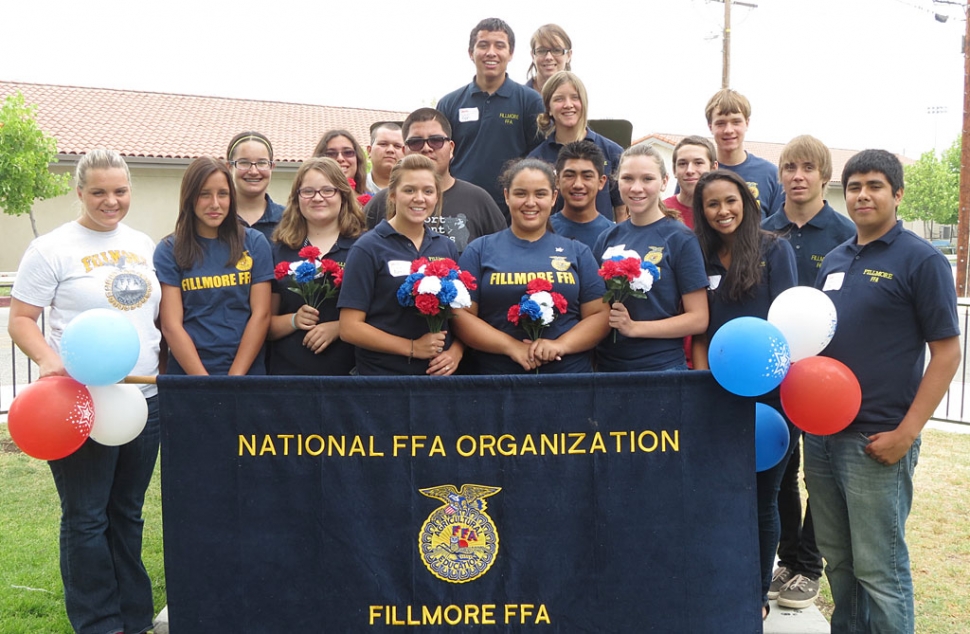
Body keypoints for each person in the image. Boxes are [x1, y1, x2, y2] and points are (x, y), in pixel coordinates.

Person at [806, 150, 960, 633]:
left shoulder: (921, 260)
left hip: (878, 441)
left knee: (881, 570)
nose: (862, 195)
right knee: (840, 563)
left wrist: (907, 433)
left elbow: (948, 353)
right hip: (824, 438)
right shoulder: (834, 259)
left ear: (897, 194)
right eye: (854, 187)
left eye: (874, 186)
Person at [8, 148, 161, 634]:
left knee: (127, 513)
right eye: (98, 192)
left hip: (143, 403)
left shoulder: (143, 243)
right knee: (87, 517)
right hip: (80, 402)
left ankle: (133, 617)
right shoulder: (52, 248)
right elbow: (21, 319)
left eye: (119, 191)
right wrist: (50, 362)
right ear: (79, 192)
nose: (110, 201)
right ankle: (98, 622)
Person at [690, 169, 797, 621]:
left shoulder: (775, 249)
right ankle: (720, 582)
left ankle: (754, 595)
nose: (722, 211)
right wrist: (701, 381)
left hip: (770, 398)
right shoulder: (700, 255)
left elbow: (791, 322)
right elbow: (698, 328)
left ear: (746, 202)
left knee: (762, 497)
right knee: (717, 497)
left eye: (730, 201)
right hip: (716, 394)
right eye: (712, 204)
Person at [761, 135, 856, 609]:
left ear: (823, 175)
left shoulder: (843, 232)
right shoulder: (763, 230)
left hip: (826, 376)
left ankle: (810, 565)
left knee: (818, 475)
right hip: (775, 375)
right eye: (789, 168)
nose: (797, 176)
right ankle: (788, 557)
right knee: (780, 470)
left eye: (807, 168)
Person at [453, 158, 609, 374]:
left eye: (540, 194)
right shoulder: (479, 250)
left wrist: (560, 345)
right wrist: (511, 347)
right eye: (520, 193)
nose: (530, 202)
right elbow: (461, 315)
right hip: (496, 380)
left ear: (554, 197)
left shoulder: (578, 251)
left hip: (568, 380)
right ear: (507, 196)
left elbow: (599, 315)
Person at [338, 154, 462, 376]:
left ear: (436, 196)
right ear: (393, 194)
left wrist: (456, 352)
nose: (419, 198)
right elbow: (349, 328)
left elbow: (459, 315)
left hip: (436, 379)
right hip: (383, 380)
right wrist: (412, 348)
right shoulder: (368, 248)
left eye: (428, 191)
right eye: (409, 190)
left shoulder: (446, 248)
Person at [592, 143, 708, 372]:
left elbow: (698, 318)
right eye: (627, 178)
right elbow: (595, 306)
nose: (636, 188)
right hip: (609, 369)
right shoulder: (607, 238)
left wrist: (635, 328)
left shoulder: (680, 238)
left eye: (647, 179)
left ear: (664, 182)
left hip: (661, 369)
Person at [154, 157, 273, 375]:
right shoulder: (169, 250)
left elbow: (262, 315)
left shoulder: (255, 243)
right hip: (189, 377)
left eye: (223, 194)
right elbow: (171, 325)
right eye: (204, 194)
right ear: (190, 197)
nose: (215, 204)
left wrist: (234, 378)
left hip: (246, 374)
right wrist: (204, 382)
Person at [437, 18, 544, 221]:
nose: (491, 52)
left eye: (500, 46)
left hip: (512, 212)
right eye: (483, 45)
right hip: (458, 211)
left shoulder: (530, 101)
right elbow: (438, 158)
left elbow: (539, 159)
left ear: (510, 53)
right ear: (471, 53)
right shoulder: (449, 104)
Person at [267, 157, 365, 375]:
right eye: (308, 191)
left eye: (327, 190)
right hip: (289, 376)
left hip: (349, 375)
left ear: (342, 195)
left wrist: (340, 328)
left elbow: (381, 316)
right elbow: (264, 325)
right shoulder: (279, 250)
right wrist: (293, 320)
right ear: (297, 198)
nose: (318, 198)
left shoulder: (364, 247)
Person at [363, 107, 507, 253]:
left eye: (436, 140)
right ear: (405, 150)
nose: (426, 148)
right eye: (416, 142)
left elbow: (503, 254)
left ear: (451, 148)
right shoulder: (384, 200)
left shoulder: (479, 200)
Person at [528, 71, 624, 221]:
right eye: (559, 99)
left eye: (575, 97)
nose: (568, 105)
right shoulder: (535, 159)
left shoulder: (613, 153)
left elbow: (622, 210)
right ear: (549, 108)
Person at [704, 89, 783, 216]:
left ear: (747, 123)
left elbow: (780, 229)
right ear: (710, 127)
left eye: (736, 122)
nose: (728, 130)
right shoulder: (699, 172)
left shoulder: (770, 175)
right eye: (720, 123)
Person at [550, 140, 614, 248]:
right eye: (570, 175)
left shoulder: (613, 235)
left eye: (587, 176)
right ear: (557, 181)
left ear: (601, 182)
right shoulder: (542, 231)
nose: (578, 185)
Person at [225, 131, 283, 242]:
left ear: (272, 166)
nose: (253, 171)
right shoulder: (218, 218)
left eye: (261, 163)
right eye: (244, 162)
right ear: (229, 167)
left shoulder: (289, 221)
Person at [663, 135, 718, 229]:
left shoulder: (724, 212)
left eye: (698, 163)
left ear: (714, 168)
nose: (690, 170)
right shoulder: (660, 212)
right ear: (674, 170)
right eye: (682, 164)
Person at [313, 129, 369, 197]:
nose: (340, 158)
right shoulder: (312, 199)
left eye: (348, 152)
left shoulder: (374, 202)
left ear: (358, 158)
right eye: (331, 154)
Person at [525, 24, 572, 94]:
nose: (549, 57)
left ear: (569, 55)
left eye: (556, 50)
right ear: (532, 56)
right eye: (541, 51)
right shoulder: (519, 99)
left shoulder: (578, 99)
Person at [365, 122, 405, 194]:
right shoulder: (354, 189)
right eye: (383, 144)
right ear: (369, 151)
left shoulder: (414, 190)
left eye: (397, 146)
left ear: (405, 152)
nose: (390, 150)